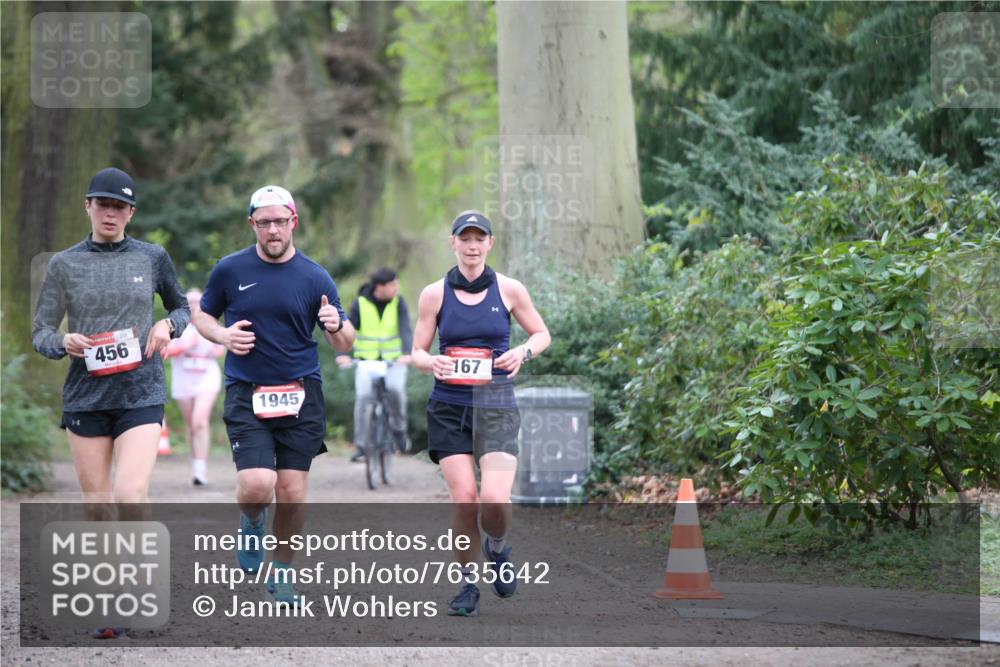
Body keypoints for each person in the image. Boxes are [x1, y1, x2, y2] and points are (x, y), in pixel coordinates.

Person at [32, 167, 190, 639]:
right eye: (102, 204)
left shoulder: (152, 256)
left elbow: (181, 306)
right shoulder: (64, 264)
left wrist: (168, 327)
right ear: (88, 207)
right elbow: (40, 331)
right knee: (98, 505)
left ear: (130, 213)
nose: (110, 213)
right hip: (86, 394)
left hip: (141, 391)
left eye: (119, 206)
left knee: (129, 495)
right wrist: (64, 342)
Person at [193, 184, 354, 606]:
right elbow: (203, 315)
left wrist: (336, 323)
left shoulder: (316, 276)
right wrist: (223, 335)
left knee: (293, 491)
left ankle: (282, 573)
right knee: (256, 485)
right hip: (248, 392)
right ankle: (251, 521)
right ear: (252, 225)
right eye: (264, 223)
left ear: (293, 222)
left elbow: (345, 343)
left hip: (302, 392)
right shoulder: (230, 270)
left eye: (280, 222)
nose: (273, 230)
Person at [411, 210, 551, 617]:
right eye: (464, 238)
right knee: (465, 500)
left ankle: (497, 549)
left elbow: (542, 334)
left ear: (490, 243)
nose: (472, 246)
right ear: (452, 243)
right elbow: (417, 350)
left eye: (479, 239)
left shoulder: (509, 290)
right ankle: (468, 584)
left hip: (497, 405)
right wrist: (429, 362)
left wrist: (523, 351)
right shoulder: (433, 294)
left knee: (493, 499)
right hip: (449, 407)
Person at [336, 267, 413, 461]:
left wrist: (406, 353)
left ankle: (399, 431)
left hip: (393, 361)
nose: (397, 287)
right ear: (380, 286)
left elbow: (405, 328)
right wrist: (342, 353)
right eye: (393, 284)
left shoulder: (398, 302)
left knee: (395, 390)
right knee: (363, 398)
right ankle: (362, 446)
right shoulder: (360, 304)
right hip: (366, 362)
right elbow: (347, 330)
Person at [163, 288, 225, 486]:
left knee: (199, 421)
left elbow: (221, 349)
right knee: (191, 425)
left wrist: (208, 345)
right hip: (183, 378)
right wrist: (185, 345)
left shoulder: (210, 323)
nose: (194, 305)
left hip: (206, 377)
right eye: (189, 301)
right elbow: (165, 350)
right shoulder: (176, 325)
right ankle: (196, 465)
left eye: (198, 301)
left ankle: (201, 470)